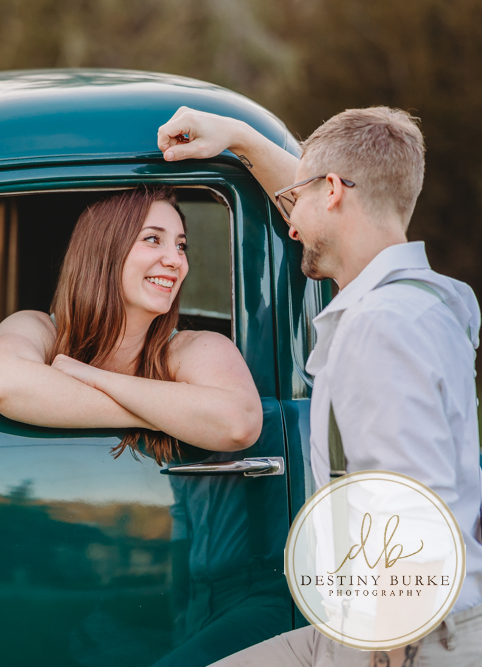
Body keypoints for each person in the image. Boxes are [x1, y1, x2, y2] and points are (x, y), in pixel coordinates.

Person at [157, 107, 482, 666]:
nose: (289, 222)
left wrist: (389, 638)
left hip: (408, 637)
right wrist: (238, 137)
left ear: (332, 190)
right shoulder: (426, 300)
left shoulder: (382, 324)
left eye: (298, 200)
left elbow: (414, 494)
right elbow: (324, 192)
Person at [0, 186, 263, 463]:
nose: (176, 260)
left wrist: (94, 377)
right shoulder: (37, 328)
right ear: (104, 250)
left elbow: (240, 423)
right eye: (152, 239)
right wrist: (163, 414)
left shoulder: (195, 347)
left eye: (181, 245)